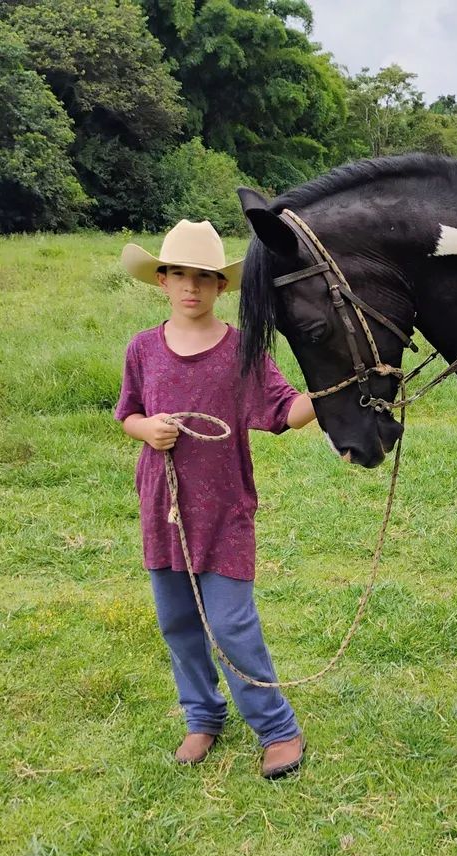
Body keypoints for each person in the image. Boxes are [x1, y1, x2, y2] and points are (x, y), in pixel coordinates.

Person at [115, 219, 315, 779]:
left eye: (204, 278)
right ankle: (202, 716)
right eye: (180, 275)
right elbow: (127, 411)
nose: (191, 287)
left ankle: (278, 730)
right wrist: (145, 429)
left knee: (230, 623)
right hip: (163, 508)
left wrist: (327, 394)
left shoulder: (239, 352)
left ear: (221, 287)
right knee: (177, 620)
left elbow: (285, 410)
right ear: (161, 280)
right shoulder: (143, 349)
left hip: (224, 509)